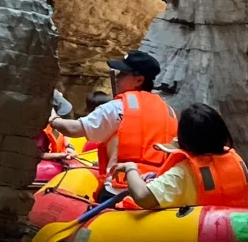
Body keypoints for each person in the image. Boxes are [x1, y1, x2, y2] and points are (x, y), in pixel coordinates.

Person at [49, 50, 177, 194]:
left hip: (119, 189)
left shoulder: (118, 107)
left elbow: (73, 129)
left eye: (122, 74)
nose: (117, 78)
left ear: (139, 80)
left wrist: (53, 118)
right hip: (155, 189)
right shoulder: (169, 111)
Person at [119, 103, 248, 210]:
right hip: (231, 225)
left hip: (195, 231)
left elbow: (143, 196)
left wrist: (131, 168)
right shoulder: (236, 163)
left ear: (184, 140)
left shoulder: (184, 172)